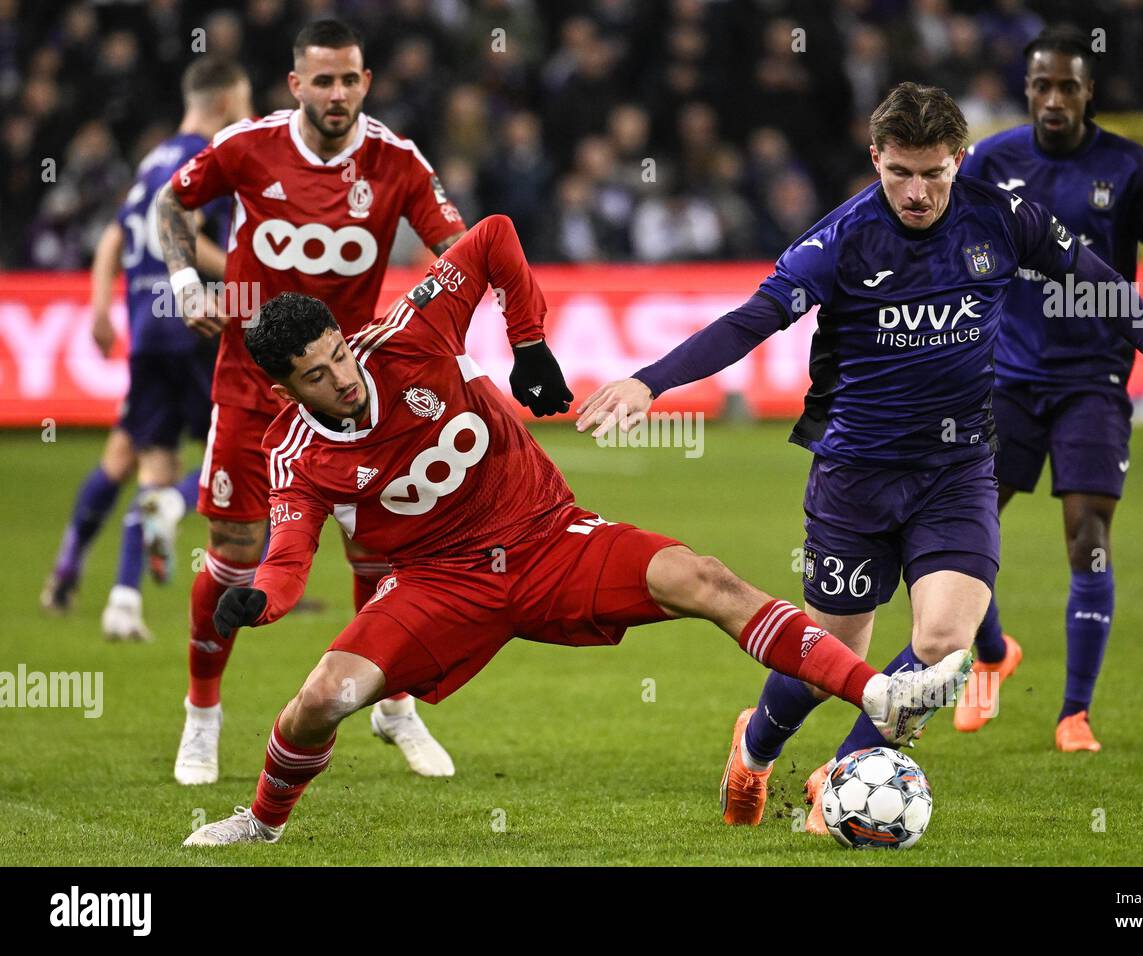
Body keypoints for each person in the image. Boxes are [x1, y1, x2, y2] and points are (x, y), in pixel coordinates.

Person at [181, 215, 970, 845]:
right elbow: (287, 559)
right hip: (439, 585)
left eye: (337, 356)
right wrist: (262, 603)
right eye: (316, 376)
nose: (341, 378)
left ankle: (883, 696)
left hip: (549, 538)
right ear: (286, 391)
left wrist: (527, 344)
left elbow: (491, 237)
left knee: (706, 578)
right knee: (320, 699)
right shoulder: (298, 455)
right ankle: (261, 823)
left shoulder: (409, 337)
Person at [576, 82, 1143, 832]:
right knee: (828, 662)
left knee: (944, 647)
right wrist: (650, 380)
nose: (916, 193)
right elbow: (752, 319)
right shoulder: (841, 239)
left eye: (933, 174)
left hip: (956, 472)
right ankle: (754, 750)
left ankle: (840, 777)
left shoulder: (1001, 217)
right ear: (876, 157)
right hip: (855, 476)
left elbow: (1100, 281)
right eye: (900, 174)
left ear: (959, 158)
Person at [155, 19, 468, 785]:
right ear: (296, 85)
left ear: (367, 82)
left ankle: (394, 705)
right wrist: (186, 279)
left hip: (352, 393)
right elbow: (172, 203)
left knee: (383, 554)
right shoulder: (247, 146)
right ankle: (203, 717)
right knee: (233, 551)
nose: (337, 93)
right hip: (251, 386)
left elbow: (456, 247)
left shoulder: (397, 161)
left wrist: (424, 319)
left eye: (349, 79)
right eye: (321, 80)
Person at [952, 27, 1143, 751]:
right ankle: (992, 654)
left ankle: (1073, 712)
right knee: (961, 525)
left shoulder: (1132, 168)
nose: (1053, 99)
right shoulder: (992, 159)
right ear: (1028, 89)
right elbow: (959, 251)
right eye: (1041, 85)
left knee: (1087, 540)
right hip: (1006, 377)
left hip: (1094, 381)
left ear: (1089, 92)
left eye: (1067, 86)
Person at [40, 57, 249, 642]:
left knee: (143, 456)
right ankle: (180, 514)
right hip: (192, 323)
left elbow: (112, 236)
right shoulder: (202, 159)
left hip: (146, 324)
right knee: (242, 451)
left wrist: (105, 308)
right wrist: (254, 274)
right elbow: (181, 233)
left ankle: (119, 598)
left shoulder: (151, 161)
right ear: (228, 102)